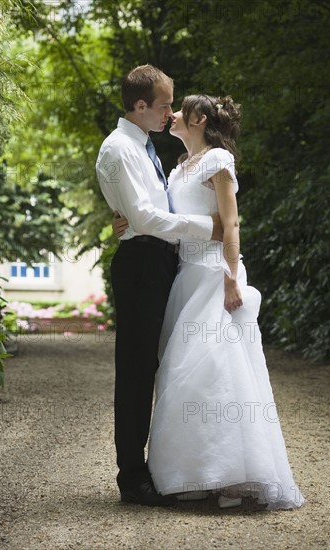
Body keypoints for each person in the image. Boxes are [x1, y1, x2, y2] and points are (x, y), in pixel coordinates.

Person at [114, 94, 305, 510]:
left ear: (199, 119)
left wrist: (232, 279)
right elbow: (163, 215)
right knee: (182, 374)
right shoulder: (180, 168)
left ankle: (231, 475)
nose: (174, 115)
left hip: (215, 275)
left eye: (180, 110)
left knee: (216, 368)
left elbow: (231, 222)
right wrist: (130, 219)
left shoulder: (219, 160)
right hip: (185, 278)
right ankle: (194, 474)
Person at [95, 66, 223, 507]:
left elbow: (147, 211)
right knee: (135, 370)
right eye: (166, 104)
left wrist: (134, 220)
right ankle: (132, 477)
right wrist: (211, 228)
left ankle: (168, 465)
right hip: (141, 265)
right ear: (141, 105)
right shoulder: (119, 150)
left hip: (161, 259)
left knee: (167, 365)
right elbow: (146, 220)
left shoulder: (145, 146)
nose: (172, 112)